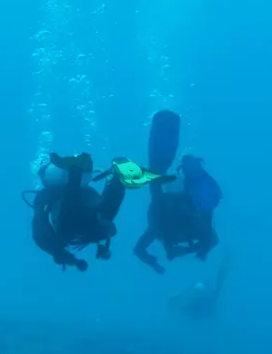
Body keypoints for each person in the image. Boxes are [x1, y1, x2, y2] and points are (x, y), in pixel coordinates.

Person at [27, 110, 183, 272]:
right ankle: (119, 176)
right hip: (88, 227)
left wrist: (67, 257)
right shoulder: (60, 193)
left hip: (82, 229)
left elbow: (41, 234)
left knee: (100, 203)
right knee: (101, 204)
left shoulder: (50, 195)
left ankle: (119, 177)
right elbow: (43, 232)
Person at [134, 153, 221, 273]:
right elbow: (212, 239)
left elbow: (139, 250)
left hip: (180, 226)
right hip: (175, 226)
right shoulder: (161, 222)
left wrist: (190, 250)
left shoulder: (190, 219)